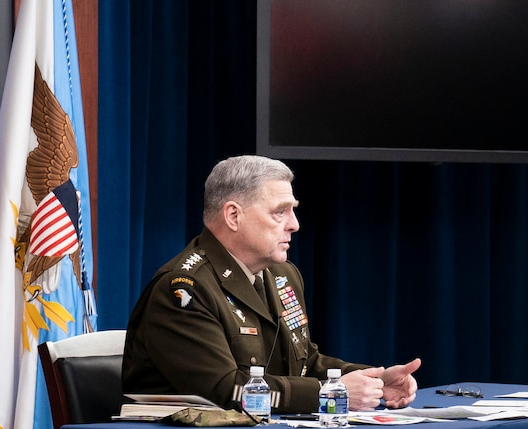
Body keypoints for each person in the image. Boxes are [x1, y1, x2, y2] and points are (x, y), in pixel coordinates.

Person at [122, 155, 421, 414]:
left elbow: (304, 363)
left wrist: (372, 380)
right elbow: (225, 390)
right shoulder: (184, 289)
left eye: (292, 210)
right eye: (280, 211)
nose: (294, 224)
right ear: (233, 216)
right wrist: (326, 394)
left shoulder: (282, 275)